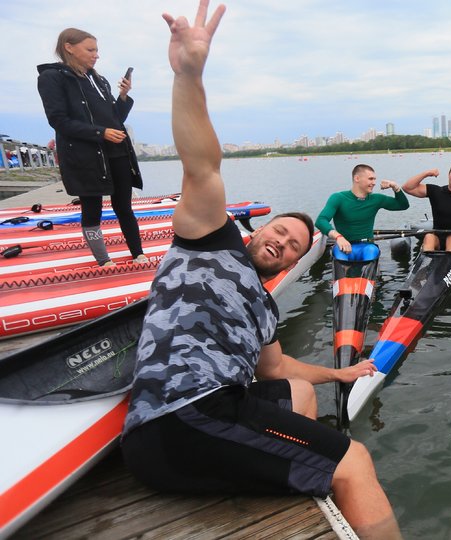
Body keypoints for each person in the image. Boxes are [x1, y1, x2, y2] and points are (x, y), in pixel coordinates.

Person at [120, 4, 401, 538]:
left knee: (297, 396)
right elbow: (201, 163)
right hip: (182, 416)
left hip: (197, 423)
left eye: (293, 245)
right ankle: (331, 471)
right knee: (356, 461)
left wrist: (340, 373)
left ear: (294, 263)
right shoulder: (209, 240)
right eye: (277, 231)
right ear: (257, 230)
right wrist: (189, 76)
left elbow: (277, 370)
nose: (281, 241)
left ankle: (305, 465)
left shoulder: (261, 304)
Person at [37, 27, 146, 267]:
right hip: (87, 156)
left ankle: (138, 253)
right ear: (69, 47)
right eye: (90, 49)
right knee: (92, 208)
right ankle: (103, 260)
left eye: (96, 50)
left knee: (124, 206)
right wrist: (101, 133)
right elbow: (58, 120)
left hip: (117, 151)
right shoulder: (51, 77)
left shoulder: (98, 79)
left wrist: (124, 96)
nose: (96, 55)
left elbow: (114, 118)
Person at [315, 164, 409, 257]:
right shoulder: (338, 198)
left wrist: (395, 187)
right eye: (370, 179)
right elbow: (321, 220)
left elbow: (403, 205)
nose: (374, 183)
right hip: (344, 246)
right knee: (339, 255)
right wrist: (338, 237)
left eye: (374, 179)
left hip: (367, 247)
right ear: (357, 178)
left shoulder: (377, 199)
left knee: (371, 251)